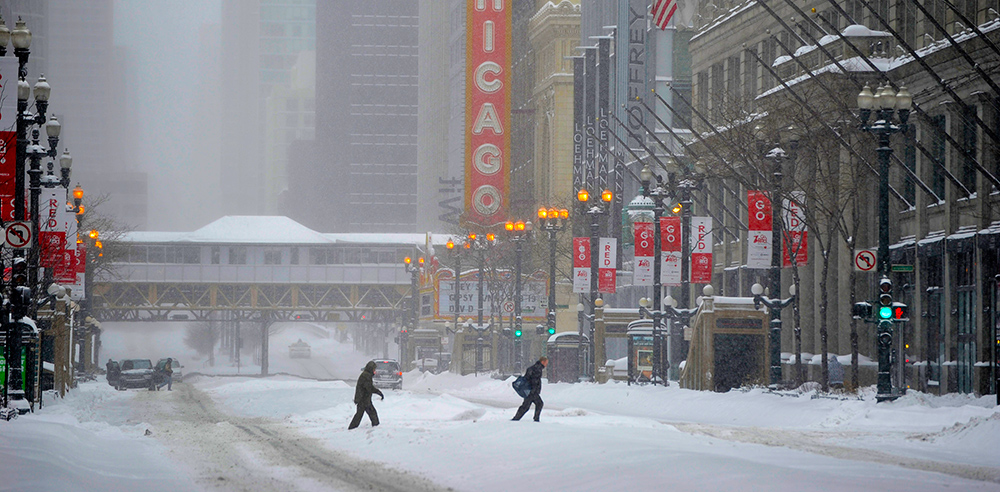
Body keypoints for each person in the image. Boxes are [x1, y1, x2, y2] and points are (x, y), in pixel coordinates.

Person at [348, 361, 384, 429]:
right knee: (368, 414)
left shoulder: (366, 374)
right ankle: (376, 427)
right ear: (371, 369)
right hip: (363, 399)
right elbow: (369, 388)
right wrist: (378, 392)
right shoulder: (366, 376)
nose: (374, 371)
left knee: (363, 414)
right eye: (374, 369)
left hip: (364, 398)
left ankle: (352, 428)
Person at [512, 356, 547, 422]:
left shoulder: (532, 368)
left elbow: (527, 377)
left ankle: (516, 418)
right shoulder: (538, 369)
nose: (546, 365)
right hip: (532, 391)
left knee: (526, 406)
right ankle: (535, 419)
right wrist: (534, 390)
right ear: (543, 362)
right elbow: (534, 381)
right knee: (538, 404)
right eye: (546, 363)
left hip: (528, 390)